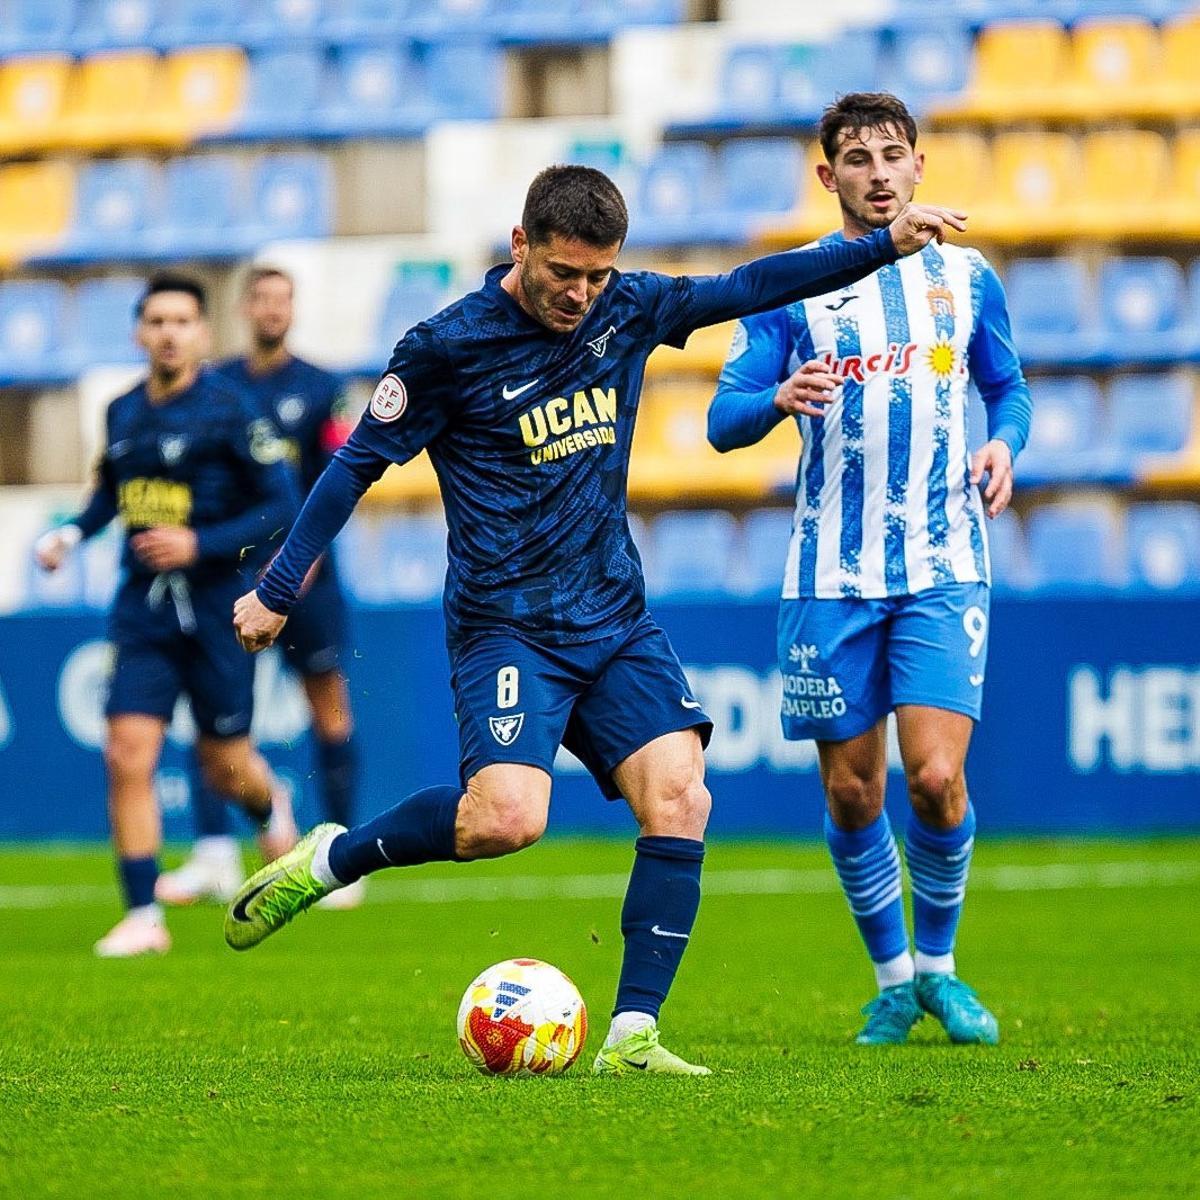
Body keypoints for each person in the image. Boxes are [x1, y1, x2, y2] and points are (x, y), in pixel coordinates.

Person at [223, 164, 965, 1075]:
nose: (580, 295)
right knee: (504, 821)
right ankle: (334, 859)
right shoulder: (446, 347)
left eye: (597, 276)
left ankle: (632, 1036)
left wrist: (880, 247)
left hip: (612, 616)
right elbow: (352, 469)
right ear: (520, 244)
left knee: (683, 794)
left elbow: (751, 286)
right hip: (508, 626)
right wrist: (279, 584)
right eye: (564, 274)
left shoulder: (629, 308)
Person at [707, 94, 1031, 1046]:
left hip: (943, 560)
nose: (879, 172)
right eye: (858, 158)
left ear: (920, 167)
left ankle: (940, 970)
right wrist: (775, 396)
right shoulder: (792, 286)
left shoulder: (969, 278)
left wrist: (1004, 445)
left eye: (894, 154)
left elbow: (1007, 388)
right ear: (829, 177)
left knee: (934, 779)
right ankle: (892, 979)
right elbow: (724, 422)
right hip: (828, 574)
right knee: (854, 790)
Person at [35, 273, 299, 958]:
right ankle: (143, 914)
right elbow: (109, 494)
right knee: (127, 754)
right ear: (138, 332)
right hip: (143, 613)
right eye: (156, 321)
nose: (168, 333)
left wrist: (199, 544)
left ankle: (271, 807)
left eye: (182, 321)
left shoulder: (232, 411)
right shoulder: (122, 410)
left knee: (226, 767)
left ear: (203, 334)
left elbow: (282, 505)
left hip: (218, 609)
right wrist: (71, 533)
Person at [155, 266, 364, 911]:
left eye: (283, 299)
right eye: (262, 299)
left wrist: (309, 556)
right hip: (233, 576)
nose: (272, 310)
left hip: (307, 575)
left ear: (293, 308)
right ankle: (215, 851)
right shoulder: (217, 385)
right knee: (213, 709)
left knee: (327, 703)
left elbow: (342, 476)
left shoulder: (323, 388)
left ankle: (340, 856)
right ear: (246, 308)